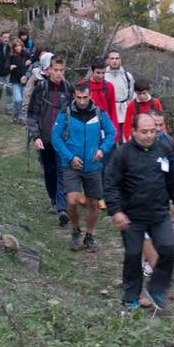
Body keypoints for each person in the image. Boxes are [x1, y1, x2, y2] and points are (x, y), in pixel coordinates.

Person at [104, 111, 174, 311]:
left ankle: (156, 288)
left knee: (168, 250)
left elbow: (172, 178)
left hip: (159, 213)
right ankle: (131, 297)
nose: (149, 135)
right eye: (144, 132)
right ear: (133, 132)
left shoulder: (163, 149)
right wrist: (116, 211)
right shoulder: (123, 153)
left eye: (152, 131)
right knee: (133, 255)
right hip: (132, 216)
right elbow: (111, 183)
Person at [52, 81, 116, 253]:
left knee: (94, 203)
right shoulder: (65, 113)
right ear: (74, 96)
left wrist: (102, 150)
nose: (81, 101)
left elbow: (112, 133)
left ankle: (89, 235)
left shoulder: (99, 113)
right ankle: (75, 230)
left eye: (85, 97)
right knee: (71, 202)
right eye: (78, 98)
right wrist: (70, 157)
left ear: (90, 96)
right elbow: (56, 138)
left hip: (93, 165)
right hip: (71, 165)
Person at [26, 55, 71, 225]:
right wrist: (35, 136)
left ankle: (62, 208)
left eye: (62, 70)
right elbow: (32, 114)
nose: (59, 73)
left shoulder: (68, 89)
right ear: (49, 69)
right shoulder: (41, 88)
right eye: (56, 70)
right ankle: (54, 199)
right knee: (49, 171)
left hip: (63, 139)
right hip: (44, 138)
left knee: (62, 172)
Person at [86, 58, 121, 142]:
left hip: (105, 128)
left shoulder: (109, 87)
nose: (101, 76)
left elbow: (112, 110)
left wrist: (115, 131)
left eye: (103, 73)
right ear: (92, 70)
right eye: (98, 72)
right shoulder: (83, 86)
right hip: (88, 129)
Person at [103, 49, 134, 141]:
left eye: (117, 58)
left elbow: (131, 94)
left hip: (124, 111)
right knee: (110, 138)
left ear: (120, 60)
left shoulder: (127, 76)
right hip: (109, 111)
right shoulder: (103, 76)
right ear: (108, 60)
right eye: (112, 58)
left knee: (125, 139)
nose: (114, 61)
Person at [122, 78, 165, 143]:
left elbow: (161, 121)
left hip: (155, 135)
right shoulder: (131, 105)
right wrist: (128, 140)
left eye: (144, 93)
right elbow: (127, 124)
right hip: (139, 136)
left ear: (148, 91)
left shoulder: (155, 102)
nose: (142, 96)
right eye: (139, 94)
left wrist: (164, 135)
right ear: (135, 93)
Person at [5, 38, 32, 122]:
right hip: (15, 80)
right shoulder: (11, 55)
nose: (18, 48)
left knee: (23, 99)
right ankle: (18, 114)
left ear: (21, 46)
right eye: (16, 46)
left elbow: (33, 59)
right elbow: (6, 65)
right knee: (18, 99)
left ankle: (19, 116)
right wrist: (10, 66)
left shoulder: (26, 54)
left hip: (25, 80)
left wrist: (30, 60)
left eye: (19, 46)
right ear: (13, 47)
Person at [0, 31, 14, 113]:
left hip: (8, 73)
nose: (6, 39)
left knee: (9, 89)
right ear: (1, 38)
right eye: (4, 37)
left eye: (8, 37)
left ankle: (9, 108)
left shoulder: (11, 48)